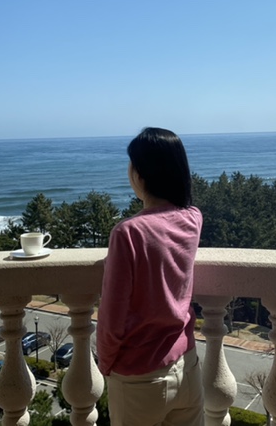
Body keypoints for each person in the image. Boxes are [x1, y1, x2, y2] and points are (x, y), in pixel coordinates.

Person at [97, 127, 204, 426]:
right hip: (187, 364)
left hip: (140, 377)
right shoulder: (193, 218)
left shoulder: (128, 233)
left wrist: (105, 363)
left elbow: (112, 315)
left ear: (140, 174)